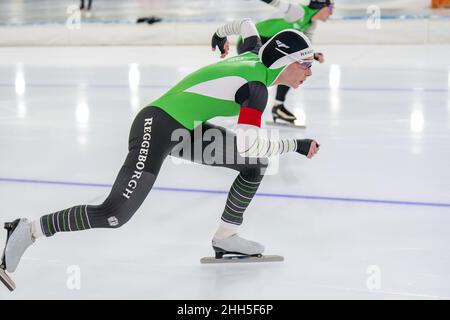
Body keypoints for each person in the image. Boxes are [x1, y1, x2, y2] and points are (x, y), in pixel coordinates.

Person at [0, 19, 320, 287]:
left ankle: (226, 236)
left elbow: (247, 25)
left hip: (185, 130)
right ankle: (28, 230)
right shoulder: (256, 90)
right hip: (157, 126)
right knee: (114, 214)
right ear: (285, 62)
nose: (308, 72)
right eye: (305, 64)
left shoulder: (255, 52)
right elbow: (250, 141)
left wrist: (221, 34)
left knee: (254, 166)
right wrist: (295, 145)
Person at [236, 0, 334, 125]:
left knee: (293, 67)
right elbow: (274, 2)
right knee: (260, 74)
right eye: (330, 8)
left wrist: (313, 55)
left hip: (272, 45)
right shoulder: (298, 11)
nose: (331, 13)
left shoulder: (311, 25)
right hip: (253, 41)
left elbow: (304, 49)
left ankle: (278, 107)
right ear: (321, 6)